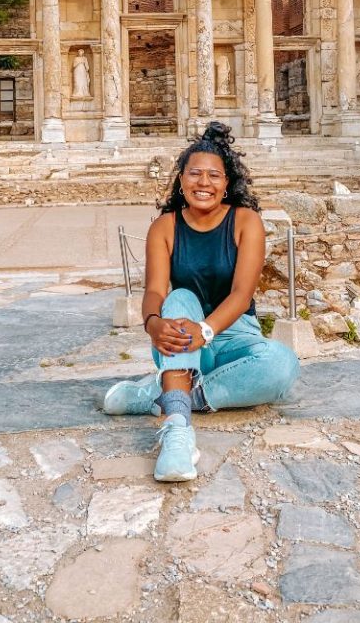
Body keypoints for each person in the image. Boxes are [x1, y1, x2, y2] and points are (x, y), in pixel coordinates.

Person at [103, 121, 300, 482]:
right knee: (178, 298)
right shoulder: (164, 226)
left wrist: (207, 330)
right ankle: (178, 432)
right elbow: (156, 292)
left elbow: (242, 295)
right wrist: (152, 323)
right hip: (180, 336)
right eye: (195, 174)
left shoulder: (246, 221)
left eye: (213, 176)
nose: (203, 183)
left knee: (283, 364)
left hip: (233, 333)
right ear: (181, 180)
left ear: (227, 183)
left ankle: (161, 394)